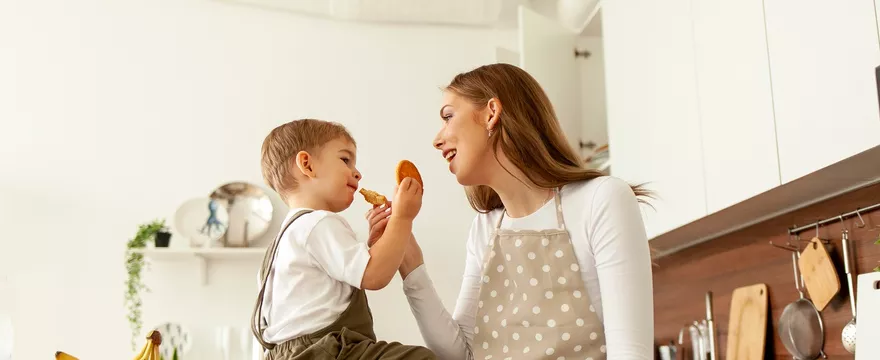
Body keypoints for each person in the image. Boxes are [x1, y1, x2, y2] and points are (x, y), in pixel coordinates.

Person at [366, 64, 655, 359]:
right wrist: (409, 260)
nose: (437, 139)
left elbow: (631, 353)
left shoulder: (601, 200)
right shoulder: (486, 228)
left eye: (448, 117)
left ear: (491, 113)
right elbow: (461, 355)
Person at [252, 119, 435, 360]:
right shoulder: (319, 222)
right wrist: (403, 217)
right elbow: (374, 275)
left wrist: (375, 245)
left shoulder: (284, 241)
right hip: (325, 352)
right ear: (307, 164)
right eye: (345, 159)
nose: (357, 173)